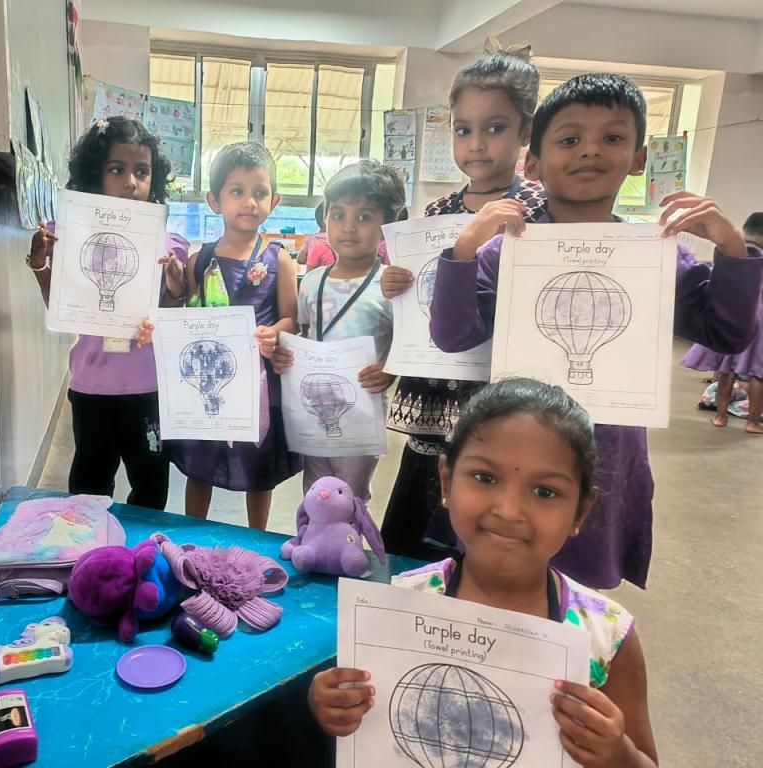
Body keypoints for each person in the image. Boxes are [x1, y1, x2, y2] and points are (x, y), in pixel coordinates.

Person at [428, 74, 763, 589]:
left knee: (582, 578)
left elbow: (727, 334)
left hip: (608, 446)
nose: (590, 150)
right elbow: (453, 336)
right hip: (515, 439)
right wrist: (464, 250)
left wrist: (733, 251)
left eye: (612, 137)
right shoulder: (508, 249)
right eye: (569, 139)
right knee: (501, 563)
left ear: (638, 158)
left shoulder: (657, 254)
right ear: (533, 163)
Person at [310, 378, 658, 767]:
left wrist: (617, 752)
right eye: (485, 478)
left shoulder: (606, 635)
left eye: (545, 492)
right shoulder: (400, 605)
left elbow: (645, 762)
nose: (508, 510)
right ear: (446, 480)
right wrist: (329, 704)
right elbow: (361, 716)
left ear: (580, 511)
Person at [380, 48, 547, 561]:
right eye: (463, 129)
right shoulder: (437, 211)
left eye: (495, 128)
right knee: (417, 523)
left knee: (488, 498)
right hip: (437, 386)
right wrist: (396, 283)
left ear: (525, 132)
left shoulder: (539, 212)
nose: (476, 144)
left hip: (498, 384)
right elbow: (423, 294)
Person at [25, 117, 189, 509]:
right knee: (89, 484)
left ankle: (139, 545)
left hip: (148, 387)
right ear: (95, 174)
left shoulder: (169, 244)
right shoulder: (67, 234)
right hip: (92, 386)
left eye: (142, 171)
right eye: (117, 169)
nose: (131, 182)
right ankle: (92, 544)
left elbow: (172, 312)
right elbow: (60, 306)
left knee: (151, 486)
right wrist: (41, 265)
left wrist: (176, 284)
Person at [156, 142, 301, 529]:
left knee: (259, 465)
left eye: (260, 192)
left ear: (274, 201)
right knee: (201, 462)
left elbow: (292, 319)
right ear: (214, 200)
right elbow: (185, 316)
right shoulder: (199, 260)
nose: (250, 202)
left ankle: (259, 535)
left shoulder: (279, 260)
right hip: (209, 379)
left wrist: (274, 333)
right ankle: (194, 531)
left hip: (259, 384)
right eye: (237, 191)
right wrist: (175, 286)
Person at [272, 160, 403, 500]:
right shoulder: (312, 281)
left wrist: (390, 370)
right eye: (338, 215)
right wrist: (286, 355)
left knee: (349, 494)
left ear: (387, 226)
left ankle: (348, 536)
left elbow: (406, 343)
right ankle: (312, 535)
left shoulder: (389, 285)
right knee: (316, 491)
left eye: (365, 217)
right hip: (314, 404)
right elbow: (305, 336)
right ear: (325, 218)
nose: (348, 227)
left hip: (362, 408)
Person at [680, 212, 763, 433]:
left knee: (727, 370)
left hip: (732, 319)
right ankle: (753, 422)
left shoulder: (735, 256)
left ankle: (720, 417)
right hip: (758, 325)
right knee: (758, 373)